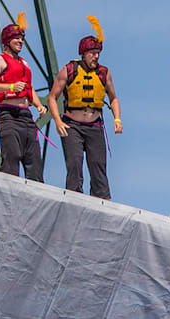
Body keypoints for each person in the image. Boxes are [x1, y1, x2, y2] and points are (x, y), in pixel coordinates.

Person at [47, 17, 122, 199]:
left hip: (95, 125)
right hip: (72, 125)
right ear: (83, 53)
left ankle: (102, 200)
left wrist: (117, 119)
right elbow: (52, 97)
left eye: (98, 53)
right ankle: (74, 198)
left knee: (98, 165)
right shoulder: (69, 69)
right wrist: (57, 121)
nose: (96, 56)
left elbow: (113, 99)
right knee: (74, 163)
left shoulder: (104, 73)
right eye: (92, 53)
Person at [0, 17, 46, 181]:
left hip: (26, 116)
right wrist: (10, 87)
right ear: (7, 40)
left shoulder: (24, 63)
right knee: (11, 158)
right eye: (16, 38)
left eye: (22, 38)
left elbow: (29, 87)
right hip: (9, 115)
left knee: (34, 162)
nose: (20, 41)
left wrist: (39, 105)